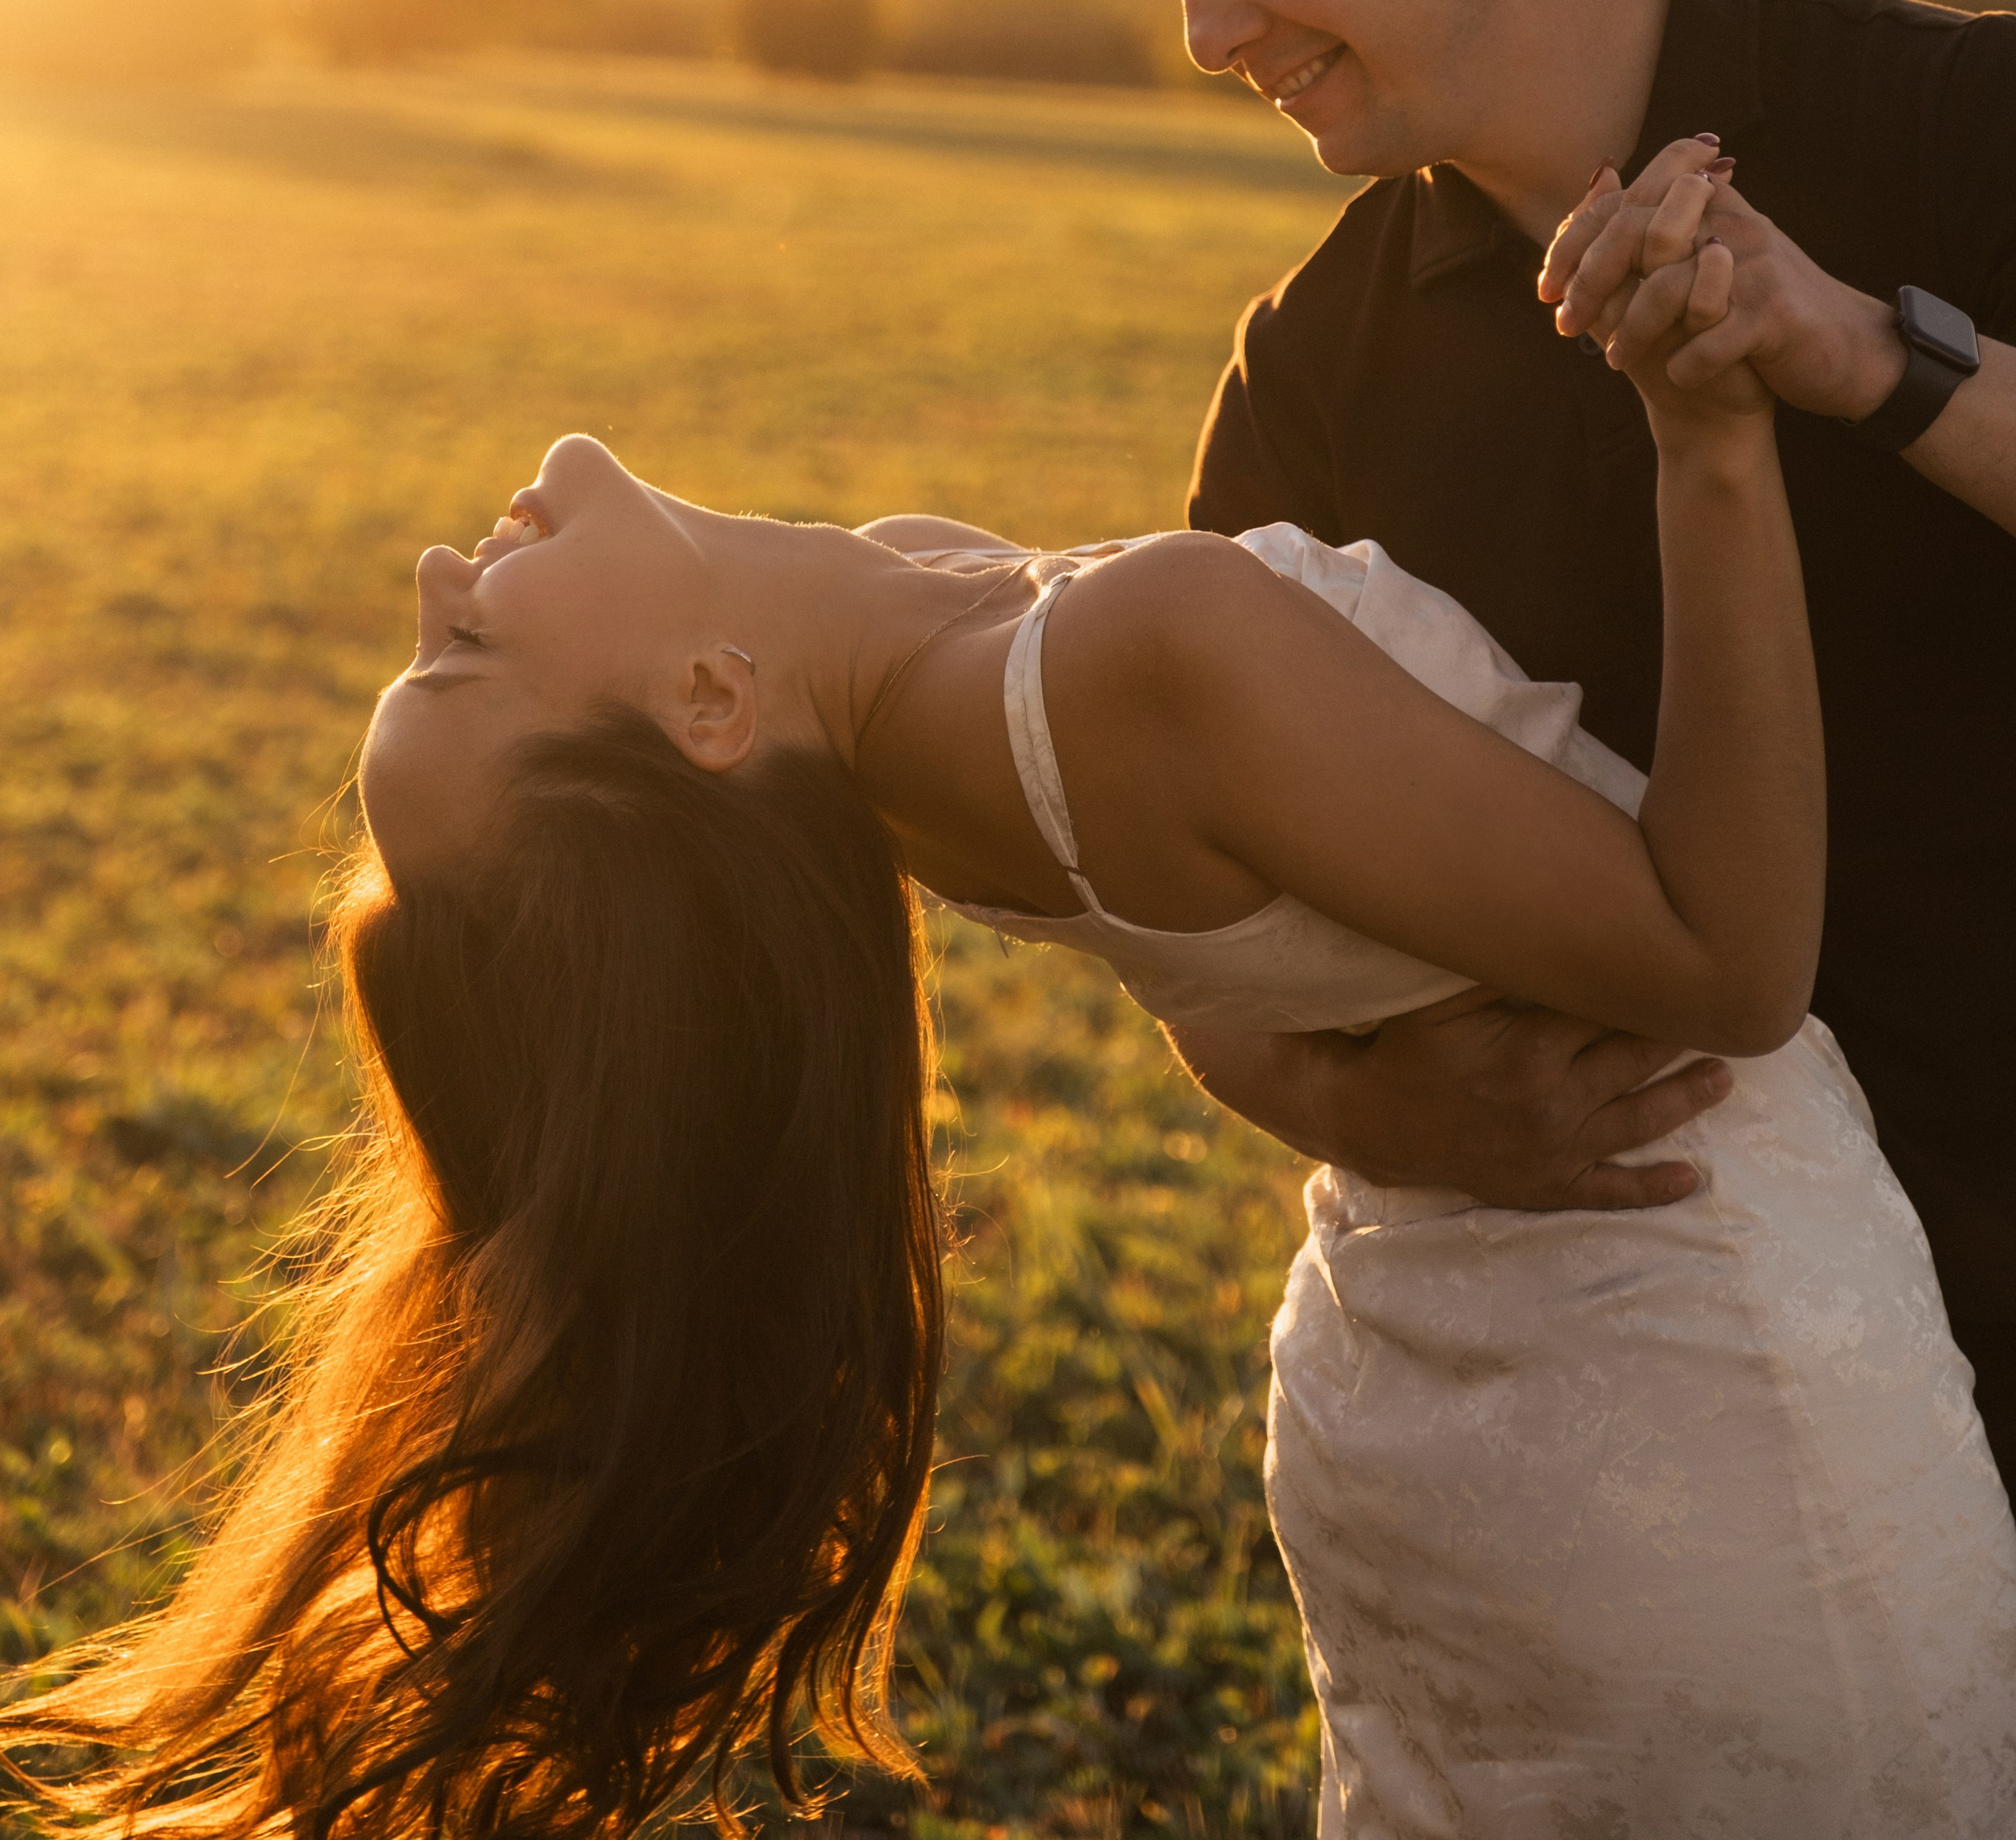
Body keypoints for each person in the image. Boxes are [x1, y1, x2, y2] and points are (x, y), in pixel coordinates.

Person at [11, 224, 2016, 1837]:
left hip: (1452, 1388)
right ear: (710, 709)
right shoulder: (1113, 664)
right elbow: (1729, 959)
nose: (444, 570)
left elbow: (1215, 953)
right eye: (458, 648)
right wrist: (1705, 429)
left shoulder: (880, 731)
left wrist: (1339, 1089)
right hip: (1699, 1381)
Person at [1080, 0, 2016, 1493]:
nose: (1205, 25)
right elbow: (1203, 931)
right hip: (1683, 1420)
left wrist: (1862, 355)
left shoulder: (1952, 118)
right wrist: (1381, 1110)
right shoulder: (1308, 369)